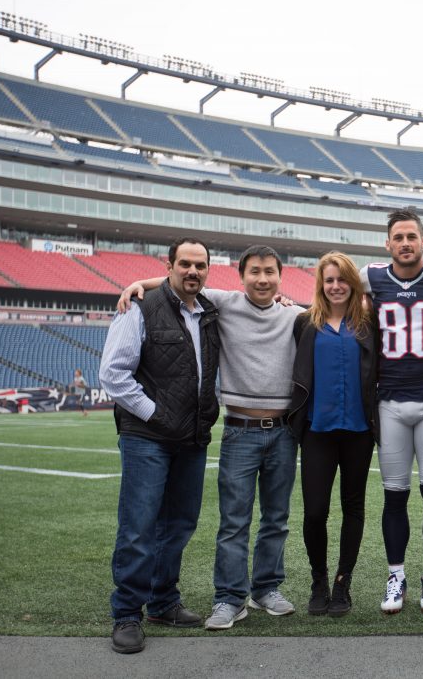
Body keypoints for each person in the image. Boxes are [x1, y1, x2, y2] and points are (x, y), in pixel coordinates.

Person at [118, 245, 304, 632]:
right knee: (233, 521)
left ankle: (266, 588)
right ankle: (230, 597)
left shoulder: (296, 315)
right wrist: (137, 283)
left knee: (277, 518)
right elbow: (179, 284)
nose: (263, 279)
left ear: (281, 276)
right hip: (239, 431)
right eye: (255, 271)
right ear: (241, 276)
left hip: (284, 433)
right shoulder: (223, 302)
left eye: (270, 272)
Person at [99, 237, 221, 654]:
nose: (193, 271)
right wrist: (156, 414)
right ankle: (127, 613)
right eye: (184, 263)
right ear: (169, 266)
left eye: (200, 265)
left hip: (191, 437)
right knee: (139, 527)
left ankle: (163, 601)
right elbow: (114, 374)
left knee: (180, 524)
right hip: (147, 437)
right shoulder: (139, 307)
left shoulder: (209, 312)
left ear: (208, 270)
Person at [360, 209, 423, 614]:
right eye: (398, 237)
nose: (405, 243)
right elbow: (326, 288)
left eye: (411, 236)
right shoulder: (372, 276)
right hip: (391, 403)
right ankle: (395, 574)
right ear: (387, 243)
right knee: (394, 496)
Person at [289, 252, 379, 618]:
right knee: (315, 512)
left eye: (343, 279)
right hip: (317, 432)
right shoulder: (303, 323)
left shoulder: (369, 324)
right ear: (321, 284)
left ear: (353, 283)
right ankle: (319, 580)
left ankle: (343, 583)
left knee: (353, 508)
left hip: (359, 432)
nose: (336, 286)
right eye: (329, 280)